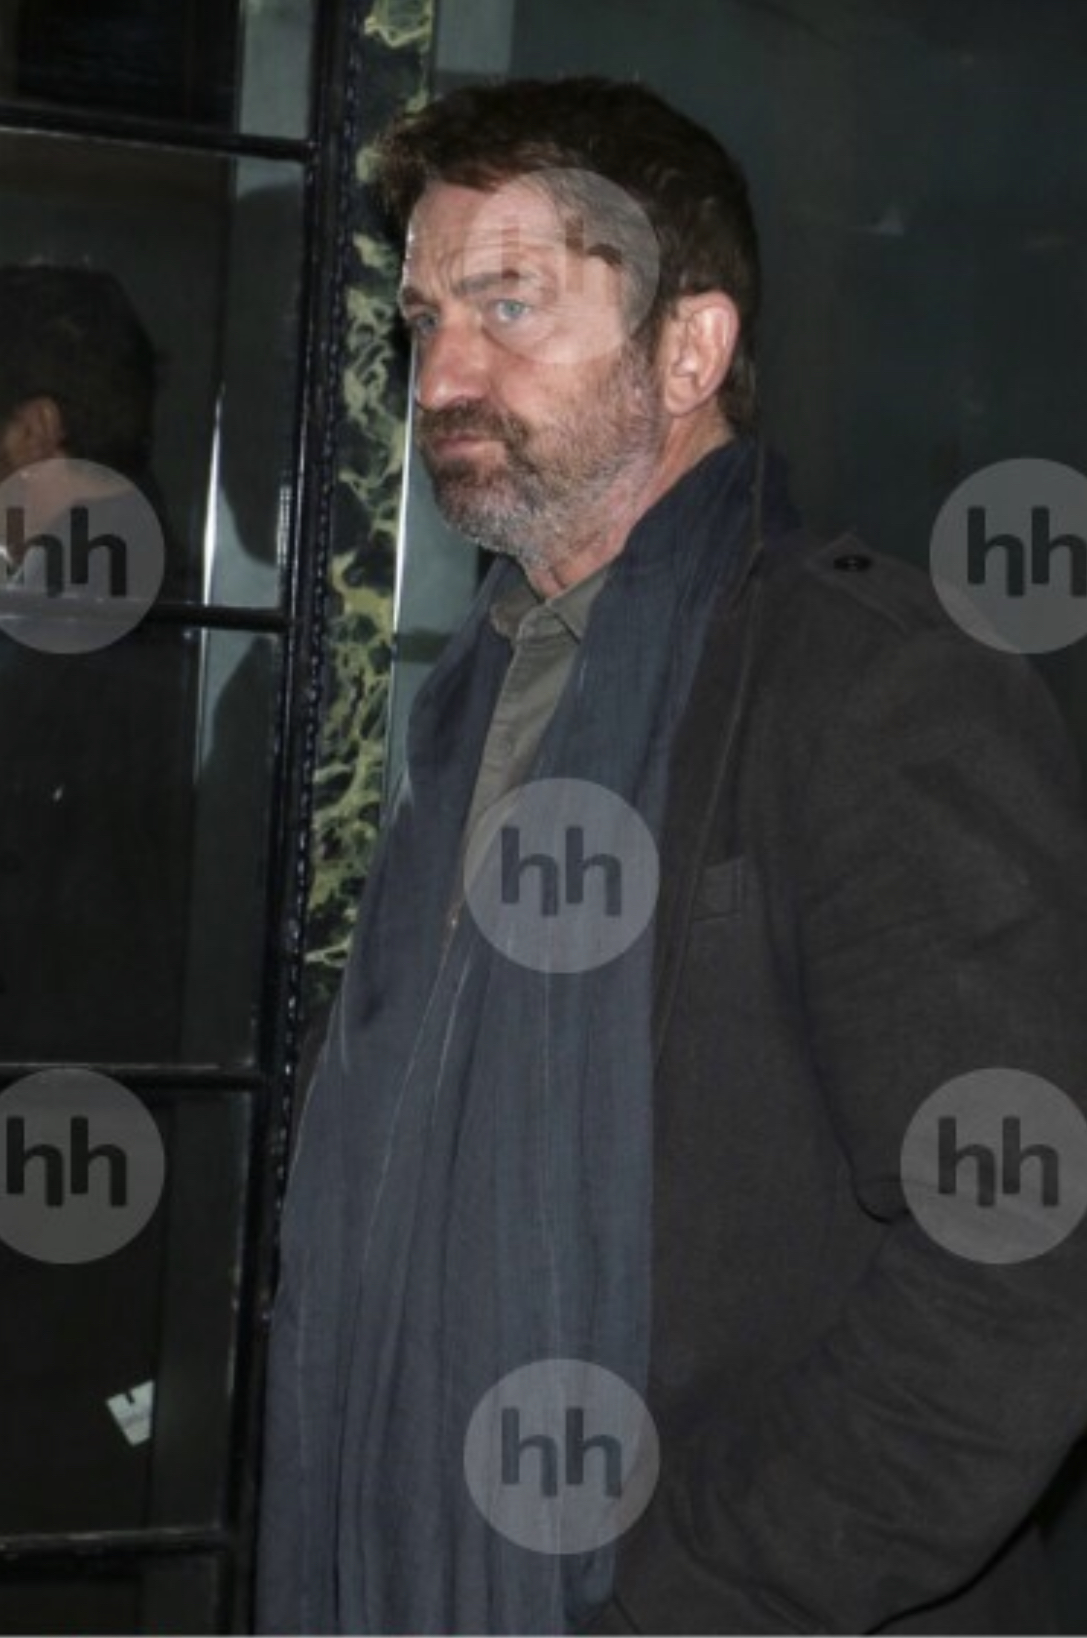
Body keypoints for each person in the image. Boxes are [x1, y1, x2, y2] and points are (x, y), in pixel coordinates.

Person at [258, 78, 1087, 1634]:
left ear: (690, 351)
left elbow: (1025, 1254)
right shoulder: (472, 700)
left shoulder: (875, 684)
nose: (445, 373)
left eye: (509, 303)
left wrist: (693, 1592)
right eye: (427, 318)